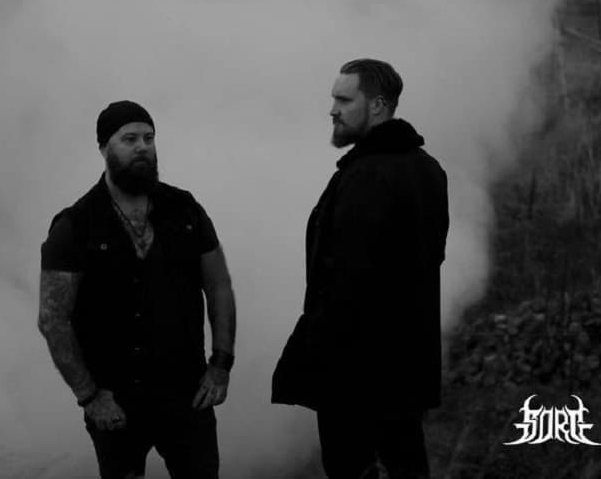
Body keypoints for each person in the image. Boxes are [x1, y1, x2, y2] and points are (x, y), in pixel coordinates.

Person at [38, 100, 236, 479]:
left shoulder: (184, 209)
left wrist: (221, 365)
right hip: (116, 401)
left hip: (186, 393)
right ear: (103, 148)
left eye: (149, 138)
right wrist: (89, 396)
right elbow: (52, 319)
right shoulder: (75, 225)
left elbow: (219, 285)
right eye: (129, 139)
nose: (142, 147)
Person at [272, 59, 449, 479]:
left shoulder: (367, 176)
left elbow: (344, 279)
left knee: (352, 467)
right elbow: (432, 257)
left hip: (355, 372)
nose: (333, 110)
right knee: (407, 463)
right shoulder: (428, 169)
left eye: (344, 99)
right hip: (405, 366)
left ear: (378, 105)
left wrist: (314, 356)